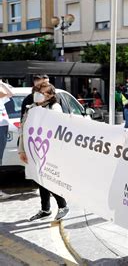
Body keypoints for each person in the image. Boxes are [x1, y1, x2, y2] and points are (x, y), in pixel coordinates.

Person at [18, 83, 69, 221]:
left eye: (45, 93)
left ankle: (63, 205)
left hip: (49, 150)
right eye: (39, 91)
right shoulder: (32, 108)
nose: (40, 94)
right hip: (34, 149)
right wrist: (22, 150)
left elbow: (59, 130)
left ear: (51, 96)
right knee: (39, 179)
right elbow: (23, 130)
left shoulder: (54, 108)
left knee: (48, 179)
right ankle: (45, 209)